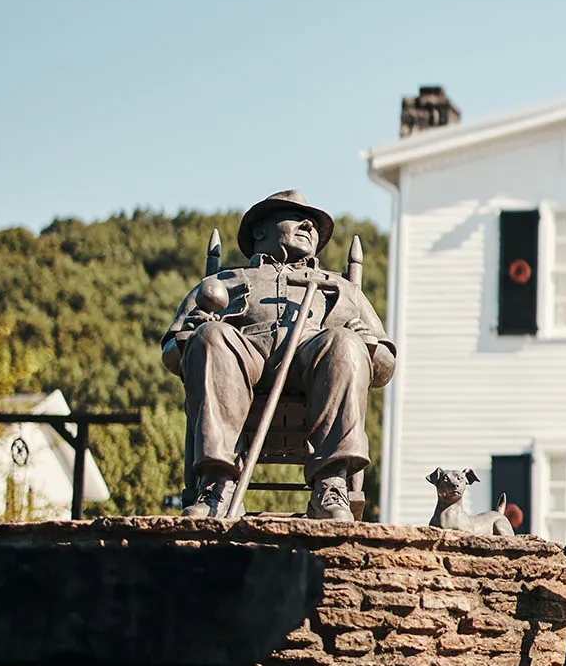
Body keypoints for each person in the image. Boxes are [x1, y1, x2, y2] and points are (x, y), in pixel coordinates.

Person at [161, 189, 396, 521]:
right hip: (244, 358)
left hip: (312, 359)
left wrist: (368, 344)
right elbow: (172, 354)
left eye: (312, 224)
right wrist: (191, 336)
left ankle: (330, 486)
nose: (308, 227)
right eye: (297, 218)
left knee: (345, 343)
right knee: (211, 335)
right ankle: (218, 486)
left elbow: (385, 366)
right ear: (260, 231)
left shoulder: (342, 288)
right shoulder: (225, 281)